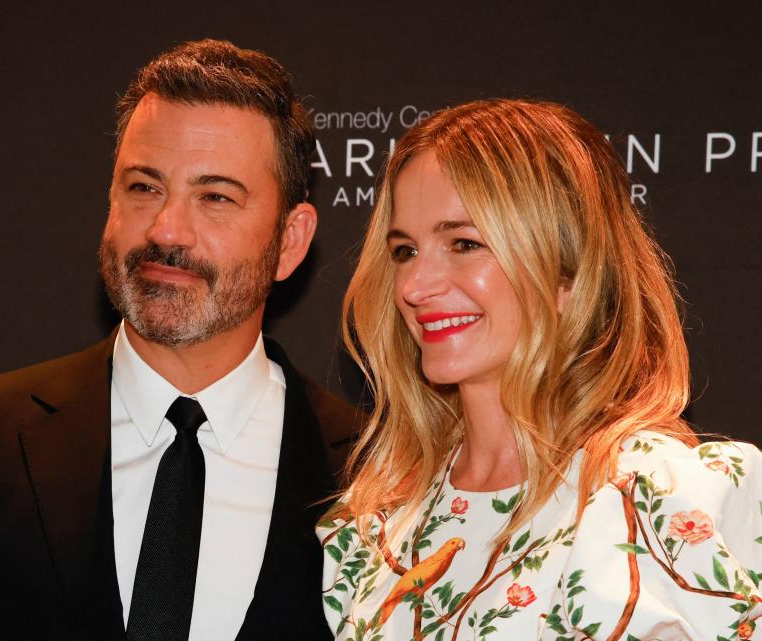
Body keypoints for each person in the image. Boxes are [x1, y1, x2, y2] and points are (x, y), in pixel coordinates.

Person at [0, 39, 361, 641]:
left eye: (215, 197)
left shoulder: (374, 475)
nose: (167, 228)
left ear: (290, 241)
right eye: (144, 187)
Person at [318, 99, 762, 641]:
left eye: (464, 244)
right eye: (405, 251)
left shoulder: (655, 498)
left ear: (568, 272)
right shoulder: (378, 524)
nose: (414, 287)